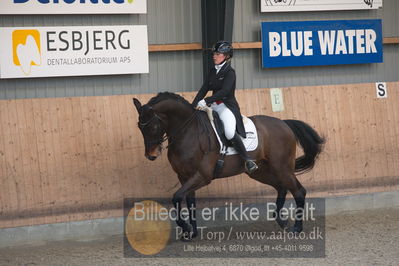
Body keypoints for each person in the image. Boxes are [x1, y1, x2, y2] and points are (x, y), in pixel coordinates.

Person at [192, 41, 258, 174]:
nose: (214, 56)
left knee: (228, 132)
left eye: (218, 54)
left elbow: (225, 92)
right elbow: (204, 88)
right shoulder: (212, 71)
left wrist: (206, 101)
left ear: (226, 56)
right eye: (214, 54)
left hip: (225, 106)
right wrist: (193, 105)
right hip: (212, 106)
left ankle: (247, 159)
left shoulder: (230, 72)